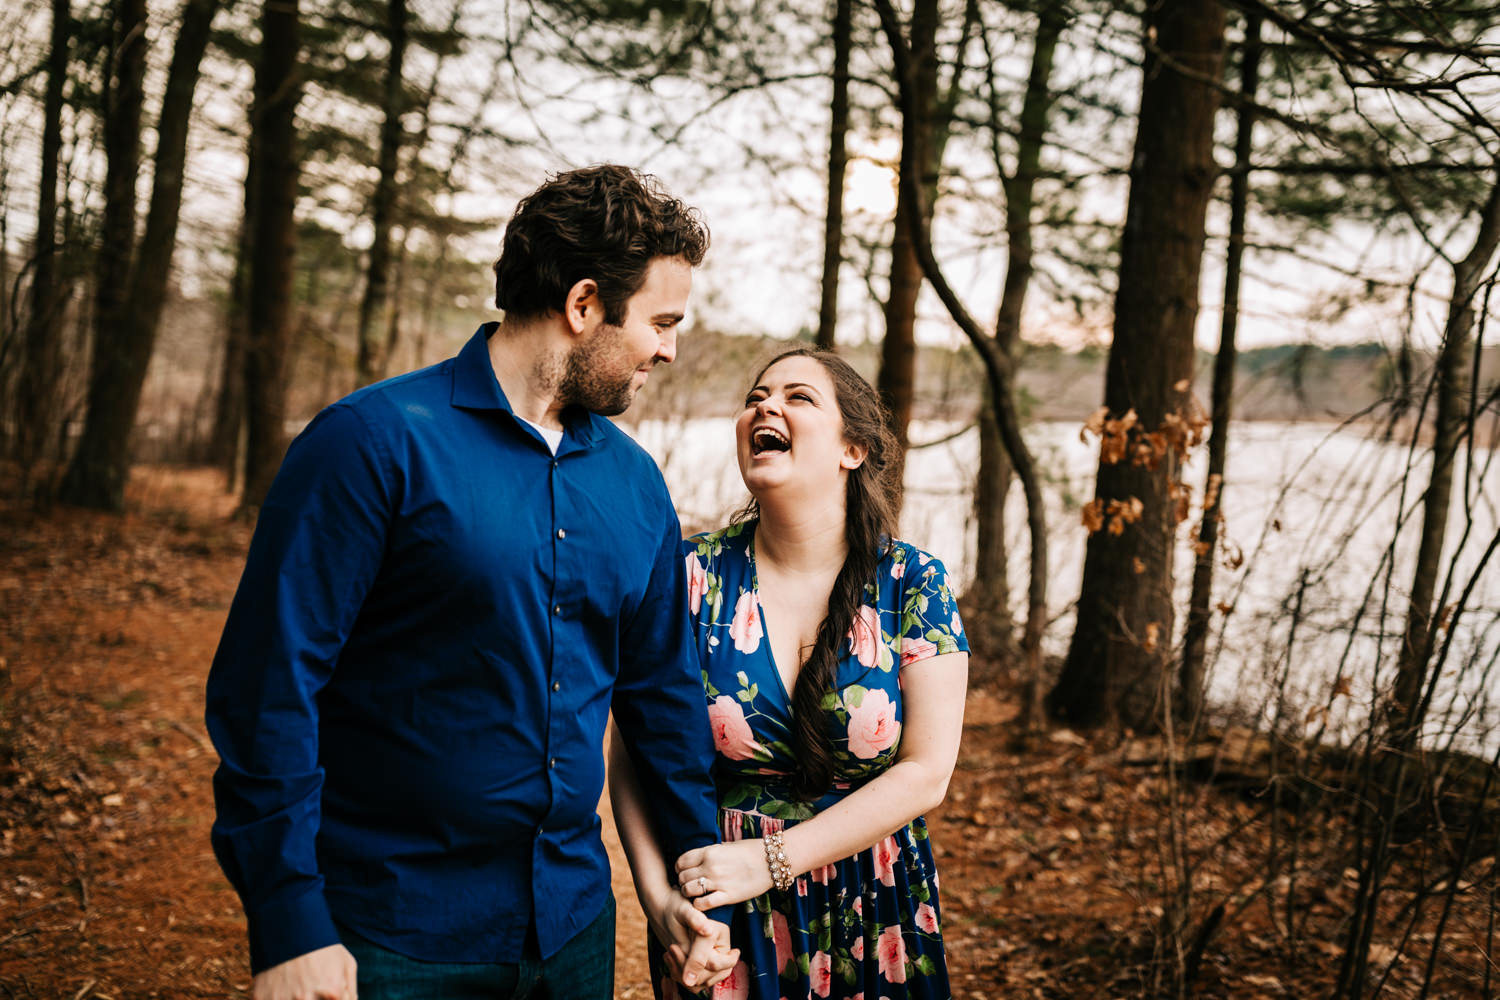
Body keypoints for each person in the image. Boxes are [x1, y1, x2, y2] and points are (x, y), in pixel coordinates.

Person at [206, 164, 737, 1000]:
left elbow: (662, 701)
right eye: (662, 321)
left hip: (570, 932)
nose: (669, 348)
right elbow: (270, 688)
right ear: (585, 304)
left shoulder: (636, 485)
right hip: (391, 934)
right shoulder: (370, 444)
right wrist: (288, 919)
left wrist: (693, 887)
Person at [609, 348, 970, 1000]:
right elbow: (633, 753)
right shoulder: (688, 576)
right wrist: (661, 904)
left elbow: (926, 773)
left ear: (852, 449)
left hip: (872, 897)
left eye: (798, 397)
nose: (764, 407)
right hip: (721, 908)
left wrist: (770, 863)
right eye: (755, 396)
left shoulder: (912, 583)